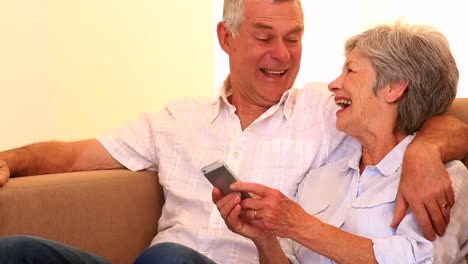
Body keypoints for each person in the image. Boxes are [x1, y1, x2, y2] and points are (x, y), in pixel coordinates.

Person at [0, 0, 467, 263]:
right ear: (226, 38)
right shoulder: (177, 119)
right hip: (161, 263)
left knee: (170, 260)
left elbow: (429, 110)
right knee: (18, 251)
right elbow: (73, 157)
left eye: (294, 38)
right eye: (265, 38)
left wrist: (425, 152)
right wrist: (11, 160)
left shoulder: (327, 112)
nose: (283, 55)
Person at [213, 22, 468, 263]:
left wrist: (300, 225)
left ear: (393, 87)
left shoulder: (442, 178)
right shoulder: (320, 179)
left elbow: (421, 259)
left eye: (351, 70)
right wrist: (264, 238)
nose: (334, 85)